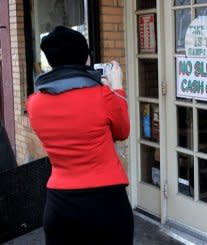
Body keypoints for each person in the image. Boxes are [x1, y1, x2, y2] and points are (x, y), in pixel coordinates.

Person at [26, 26, 133, 245]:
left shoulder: (34, 103)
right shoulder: (104, 95)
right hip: (107, 204)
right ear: (85, 58)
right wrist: (117, 88)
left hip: (60, 206)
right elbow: (122, 132)